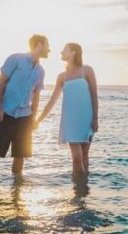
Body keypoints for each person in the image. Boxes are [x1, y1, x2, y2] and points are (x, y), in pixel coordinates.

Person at [0, 35, 50, 178]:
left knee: (20, 155)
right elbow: (0, 83)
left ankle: (16, 193)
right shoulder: (15, 59)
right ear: (39, 45)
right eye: (47, 45)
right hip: (5, 114)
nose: (49, 49)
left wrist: (33, 117)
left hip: (25, 117)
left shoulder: (40, 71)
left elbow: (36, 95)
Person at [34, 43, 98, 175]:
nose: (61, 52)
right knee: (76, 158)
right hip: (70, 121)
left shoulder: (87, 70)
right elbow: (52, 101)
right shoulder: (62, 76)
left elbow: (94, 96)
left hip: (86, 119)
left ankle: (83, 189)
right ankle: (79, 190)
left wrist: (95, 118)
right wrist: (39, 120)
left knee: (85, 155)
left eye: (64, 50)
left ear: (74, 52)